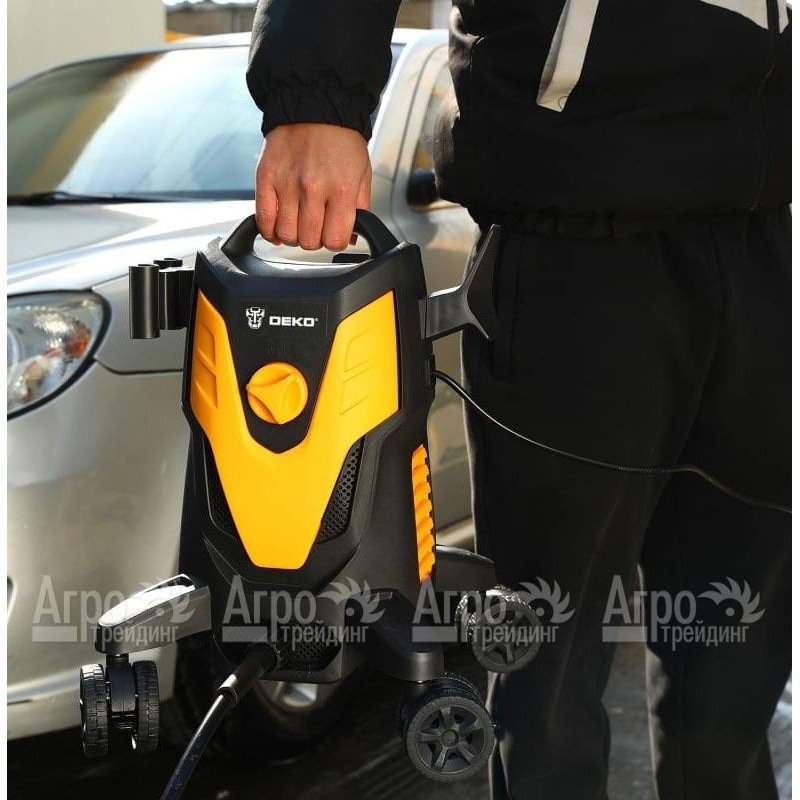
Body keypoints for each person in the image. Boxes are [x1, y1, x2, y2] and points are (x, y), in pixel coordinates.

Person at [245, 2, 791, 798]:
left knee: (734, 663)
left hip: (762, 228)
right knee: (548, 672)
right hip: (575, 228)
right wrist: (316, 100)